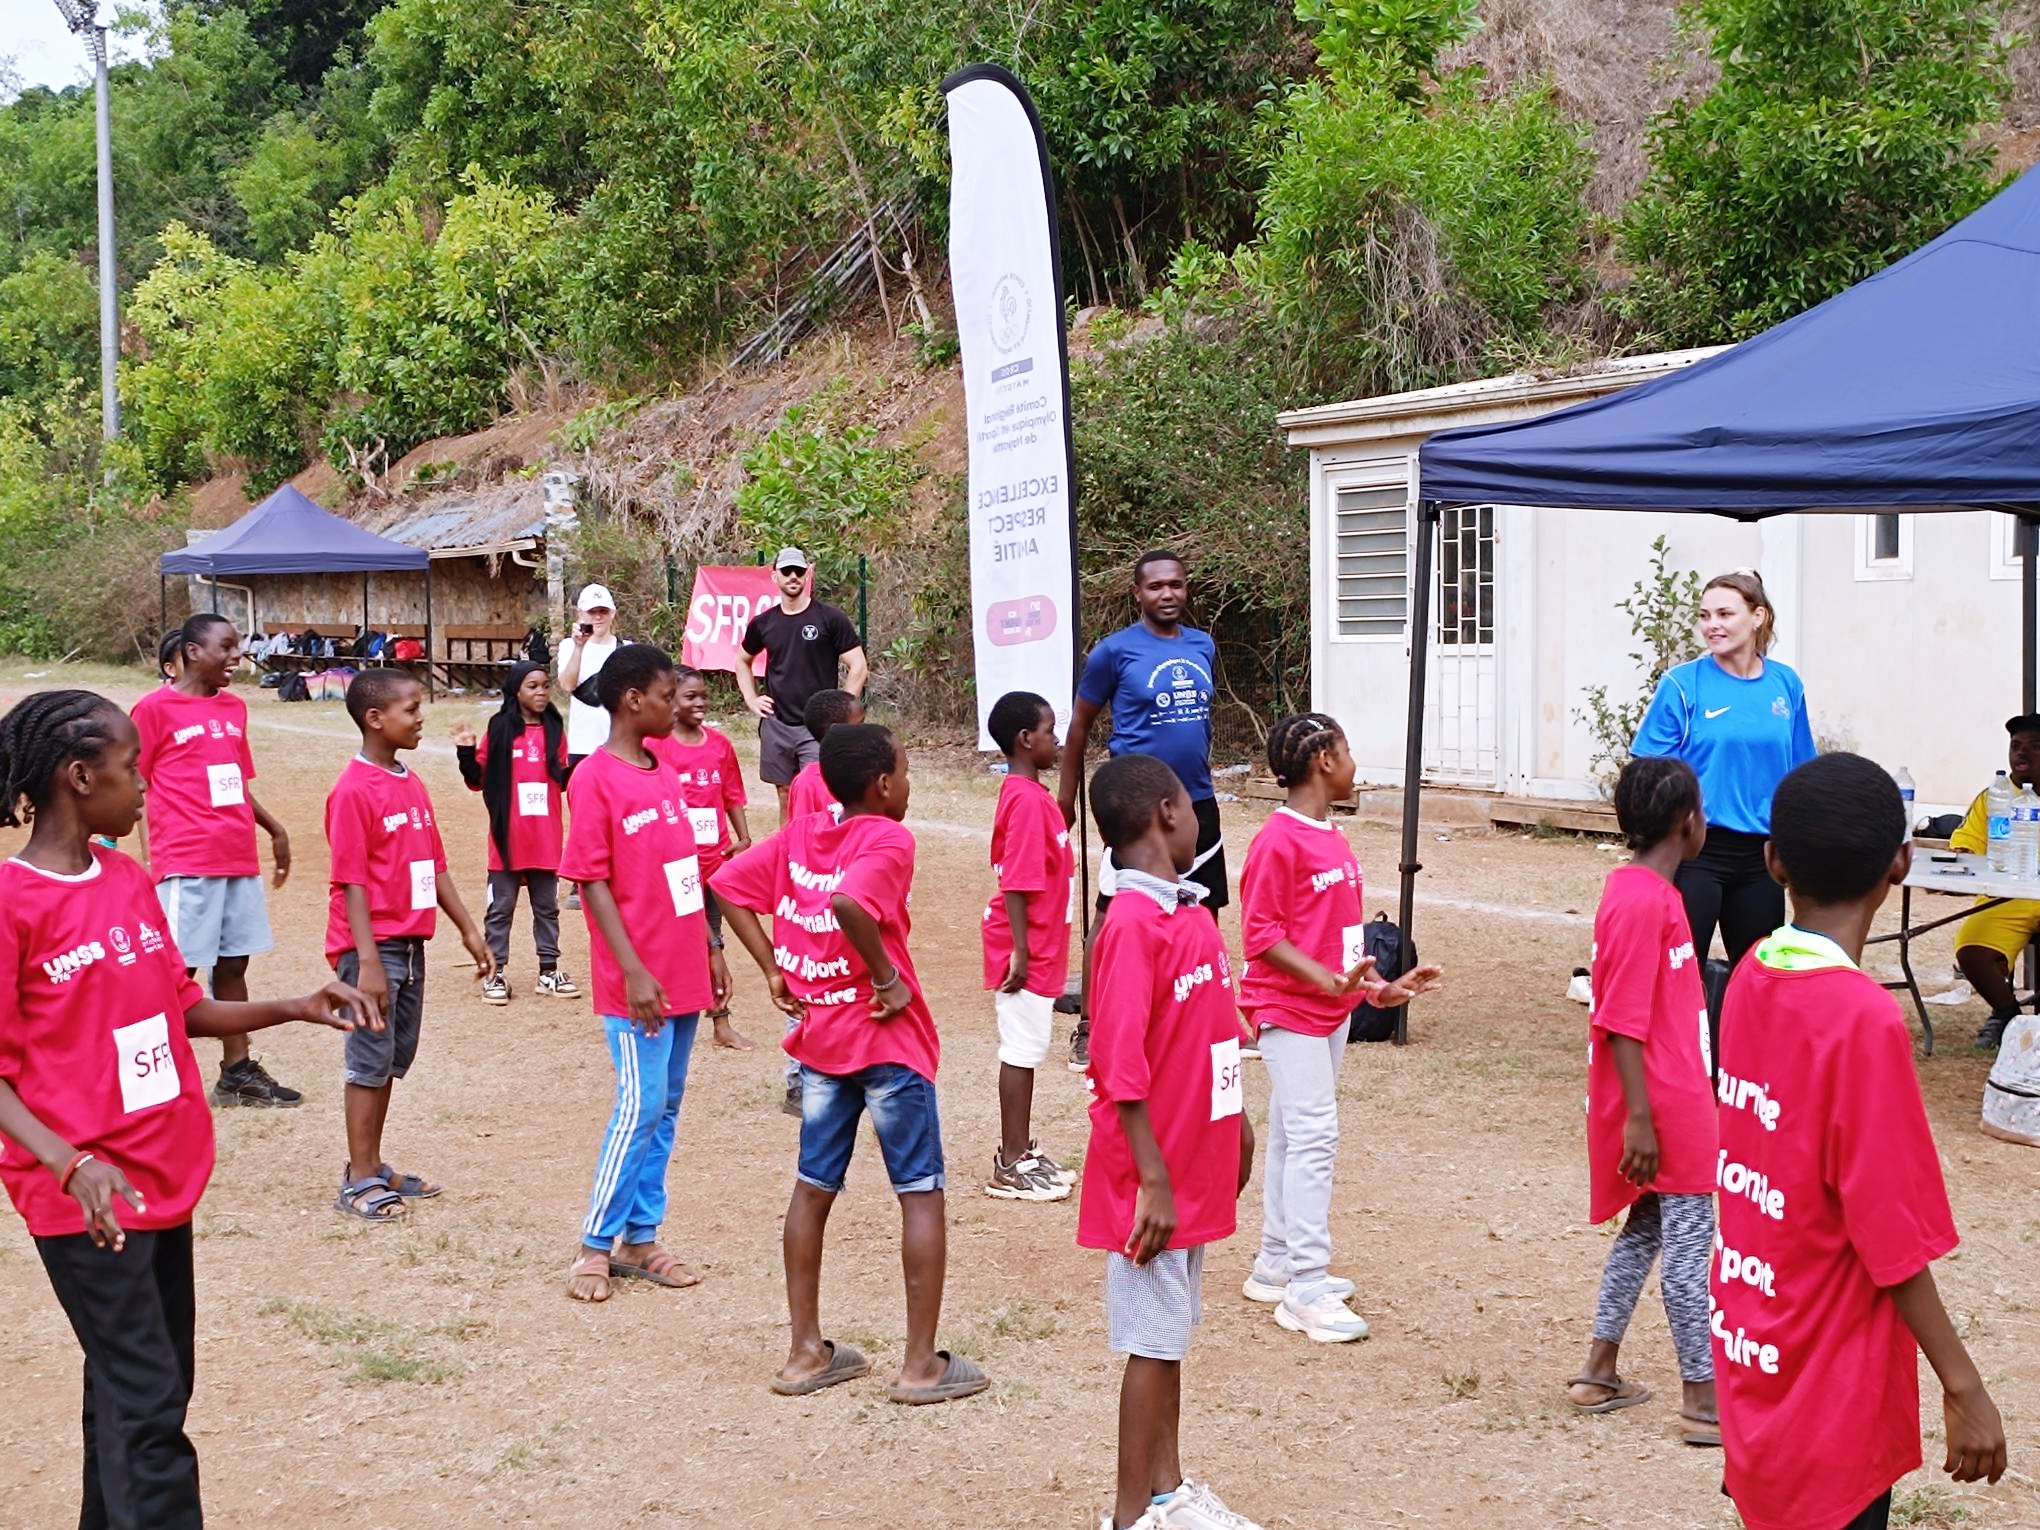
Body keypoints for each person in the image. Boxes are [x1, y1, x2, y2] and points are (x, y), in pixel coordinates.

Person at [0, 689, 378, 1530]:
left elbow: (181, 1007)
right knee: (151, 1410)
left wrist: (290, 1006)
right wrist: (70, 1162)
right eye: (131, 769)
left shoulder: (129, 878)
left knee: (137, 1385)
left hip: (159, 1173)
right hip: (85, 1196)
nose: (144, 785)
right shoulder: (12, 901)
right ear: (76, 775)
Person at [1715, 753, 2006, 1530]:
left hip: (1756, 1350)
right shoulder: (1862, 1018)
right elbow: (1891, 1237)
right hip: (1827, 1387)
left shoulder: (1750, 974)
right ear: (1901, 864)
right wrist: (1963, 1385)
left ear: (1773, 860)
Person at [713, 723, 988, 1406]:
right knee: (919, 1190)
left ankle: (807, 1352)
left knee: (813, 1188)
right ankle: (920, 1365)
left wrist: (775, 965)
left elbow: (726, 882)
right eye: (906, 770)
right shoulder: (890, 838)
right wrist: (887, 978)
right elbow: (847, 902)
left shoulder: (807, 832)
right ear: (883, 785)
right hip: (886, 1041)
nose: (909, 782)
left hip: (822, 1044)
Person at [1078, 753, 1259, 1530]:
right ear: (1163, 814)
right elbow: (1117, 1065)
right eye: (1190, 806)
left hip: (1190, 1166)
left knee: (1172, 1336)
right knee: (1150, 1346)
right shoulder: (1129, 926)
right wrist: (1151, 1181)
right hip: (1148, 1185)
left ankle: (1169, 1492)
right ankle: (1127, 1517)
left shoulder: (1184, 914)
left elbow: (1213, 1035)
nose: (1197, 819)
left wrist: (1237, 1124)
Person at [1237, 714, 1439, 1345]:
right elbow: (1260, 934)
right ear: (1324, 759)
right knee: (1315, 1134)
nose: (1356, 763)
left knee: (1294, 1136)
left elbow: (1341, 946)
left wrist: (1377, 989)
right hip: (1288, 1011)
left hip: (1331, 1011)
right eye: (1348, 750)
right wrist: (1323, 983)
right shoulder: (1279, 839)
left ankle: (1275, 1262)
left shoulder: (1332, 837)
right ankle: (1306, 1285)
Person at [560, 644, 726, 1302]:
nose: (673, 703)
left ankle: (642, 1235)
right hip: (638, 979)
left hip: (682, 966)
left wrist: (710, 948)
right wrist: (632, 971)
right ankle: (595, 1245)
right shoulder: (594, 778)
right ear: (633, 700)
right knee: (639, 1104)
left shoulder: (664, 772)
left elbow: (687, 874)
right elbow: (592, 881)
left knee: (667, 1106)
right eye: (665, 693)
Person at [1566, 756, 1718, 1446]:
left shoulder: (1655, 893)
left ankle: (1599, 1369)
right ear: (1688, 822)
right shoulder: (1639, 901)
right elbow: (1619, 1018)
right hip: (1665, 1105)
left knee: (1650, 1231)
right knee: (1690, 1246)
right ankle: (1703, 1397)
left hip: (1670, 1096)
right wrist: (1641, 1117)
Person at [326, 668, 495, 1223]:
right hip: (373, 949)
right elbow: (349, 881)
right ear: (375, 719)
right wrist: (367, 961)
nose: (422, 717)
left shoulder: (410, 781)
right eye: (412, 709)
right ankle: (356, 1178)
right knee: (367, 1062)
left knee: (392, 1060)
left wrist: (470, 929)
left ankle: (372, 1164)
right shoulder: (353, 790)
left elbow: (434, 865)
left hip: (410, 944)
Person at [1059, 550, 1225, 1072]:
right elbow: (1080, 726)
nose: (1167, 594)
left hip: (1195, 801)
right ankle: (1089, 1025)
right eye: (1156, 587)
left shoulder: (1203, 645)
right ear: (1138, 593)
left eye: (1176, 584)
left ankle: (1204, 1015)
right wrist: (1068, 798)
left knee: (1203, 908)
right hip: (1136, 804)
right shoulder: (1114, 652)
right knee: (1114, 913)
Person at [131, 613, 300, 1108]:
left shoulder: (234, 708)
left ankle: (236, 1071)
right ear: (191, 652)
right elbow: (134, 785)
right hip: (186, 860)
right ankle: (150, 1073)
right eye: (225, 647)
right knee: (176, 972)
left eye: (238, 646)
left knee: (233, 963)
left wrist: (273, 828)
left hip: (235, 856)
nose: (237, 655)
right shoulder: (154, 710)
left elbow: (234, 783)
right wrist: (149, 860)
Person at [1631, 569, 1815, 979]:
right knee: (1678, 972)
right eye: (1704, 615)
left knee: (1758, 978)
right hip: (1696, 852)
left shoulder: (1786, 684)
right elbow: (1647, 772)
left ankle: (1742, 1046)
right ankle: (1678, 1046)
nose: (1712, 625)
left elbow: (1801, 773)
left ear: (1758, 617)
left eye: (1725, 614)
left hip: (1762, 858)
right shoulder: (1682, 684)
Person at [980, 691, 1079, 1202]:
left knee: (1032, 1047)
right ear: (1025, 739)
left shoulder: (1031, 795)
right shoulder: (1022, 800)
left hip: (1039, 942)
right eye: (1049, 731)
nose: (1055, 739)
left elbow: (1060, 822)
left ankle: (1022, 1150)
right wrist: (1019, 950)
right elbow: (1016, 881)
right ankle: (1010, 1160)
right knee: (1021, 1050)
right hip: (1025, 948)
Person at [453, 662, 578, 1006]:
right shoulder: (501, 729)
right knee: (500, 908)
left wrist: (587, 765)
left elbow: (564, 778)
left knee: (546, 908)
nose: (540, 692)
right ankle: (495, 974)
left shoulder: (554, 728)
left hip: (545, 838)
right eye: (532, 686)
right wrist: (466, 752)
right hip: (508, 838)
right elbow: (478, 779)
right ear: (515, 691)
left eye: (544, 686)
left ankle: (549, 971)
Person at [649, 663, 754, 1052]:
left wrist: (742, 836)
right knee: (683, 937)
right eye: (690, 696)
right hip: (675, 866)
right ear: (670, 700)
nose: (700, 703)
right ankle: (663, 1008)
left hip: (714, 861)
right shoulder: (657, 748)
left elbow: (732, 793)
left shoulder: (719, 745)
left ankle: (721, 1022)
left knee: (714, 936)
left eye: (704, 696)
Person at [735, 547, 868, 822]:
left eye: (799, 571)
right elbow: (742, 661)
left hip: (816, 729)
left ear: (808, 573)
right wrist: (751, 698)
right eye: (786, 571)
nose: (793, 576)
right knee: (785, 793)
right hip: (778, 723)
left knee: (819, 793)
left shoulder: (830, 619)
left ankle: (823, 856)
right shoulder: (764, 623)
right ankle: (788, 854)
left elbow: (859, 667)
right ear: (775, 577)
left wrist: (840, 711)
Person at [1947, 714, 2040, 1050]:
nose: (2022, 753)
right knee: (1972, 948)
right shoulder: (1995, 797)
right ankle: (2007, 1016)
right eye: (2016, 746)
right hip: (2006, 898)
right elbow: (1967, 846)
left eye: (2035, 747)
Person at [558, 584, 624, 771]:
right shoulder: (568, 646)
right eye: (592, 611)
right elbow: (567, 684)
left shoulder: (626, 649)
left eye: (603, 611)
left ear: (612, 613)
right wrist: (579, 647)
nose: (597, 617)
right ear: (581, 614)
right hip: (582, 744)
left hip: (618, 745)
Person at [785, 688, 864, 822]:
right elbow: (802, 834)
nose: (866, 730)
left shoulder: (867, 774)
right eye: (859, 724)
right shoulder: (808, 784)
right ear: (835, 732)